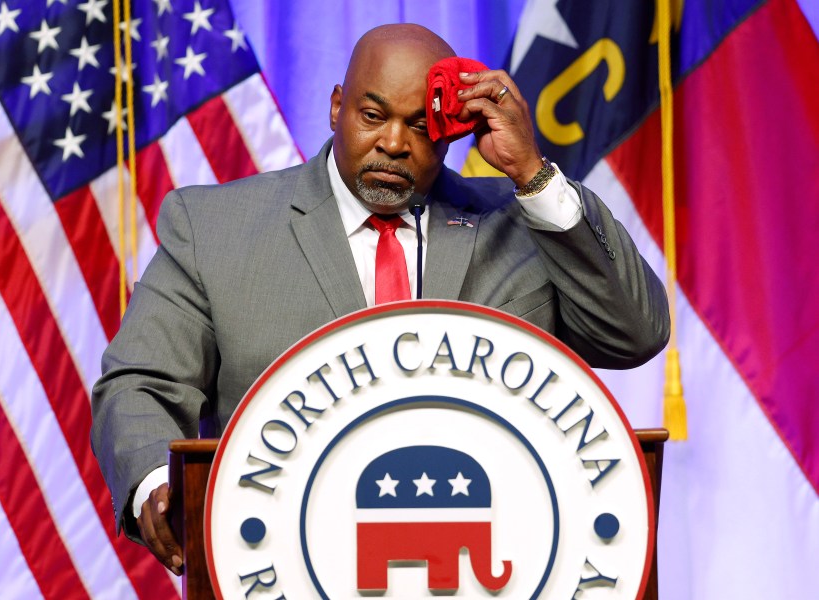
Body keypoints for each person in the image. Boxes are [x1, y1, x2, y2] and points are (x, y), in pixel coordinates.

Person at [91, 24, 669, 575]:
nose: (393, 143)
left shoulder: (518, 225)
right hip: (282, 563)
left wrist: (533, 176)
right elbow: (140, 382)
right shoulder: (215, 227)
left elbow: (634, 333)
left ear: (452, 130)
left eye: (420, 125)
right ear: (337, 106)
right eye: (373, 116)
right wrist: (155, 484)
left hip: (485, 560)